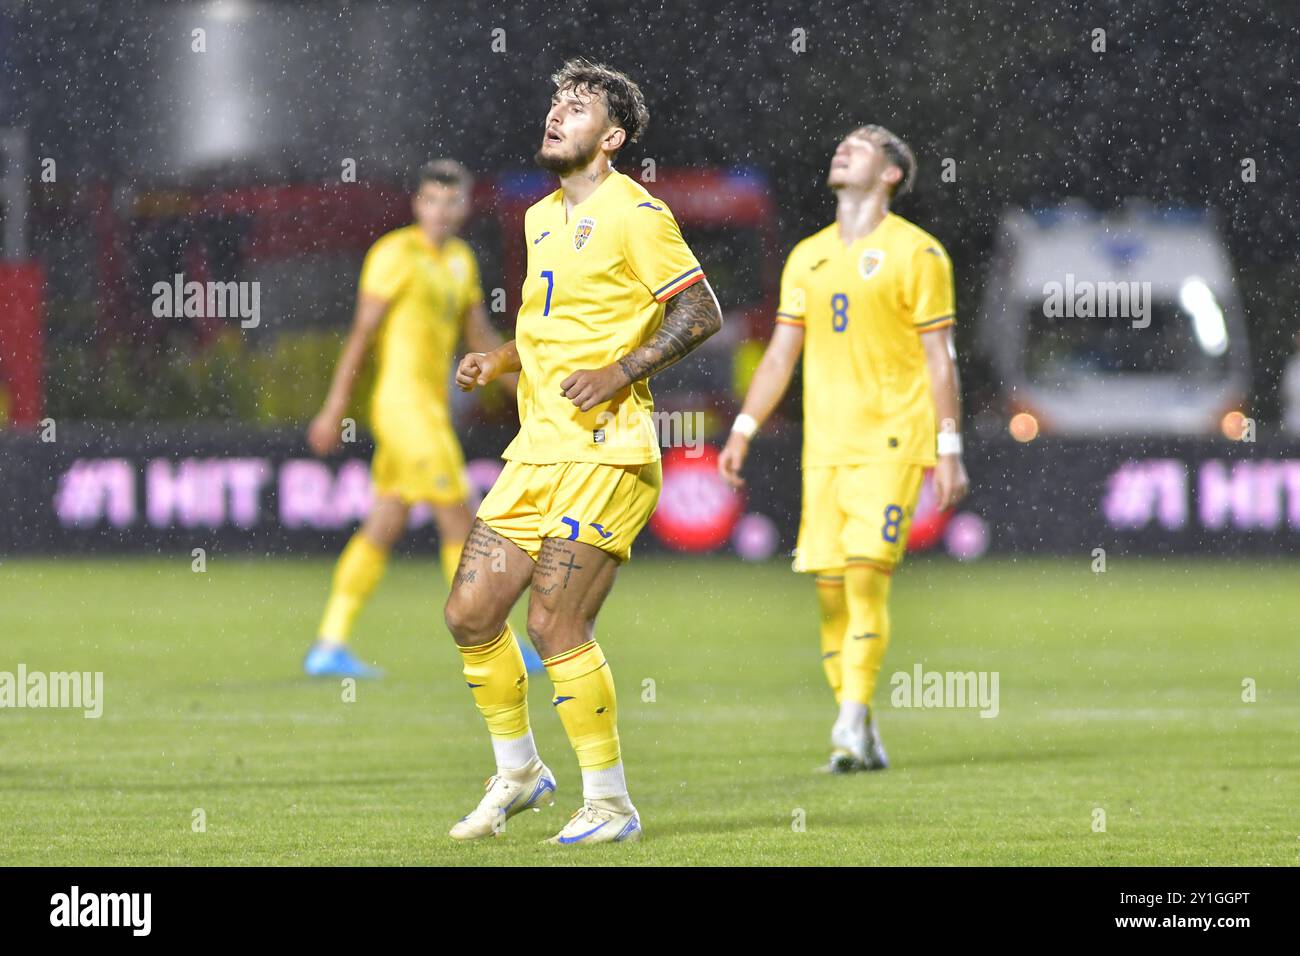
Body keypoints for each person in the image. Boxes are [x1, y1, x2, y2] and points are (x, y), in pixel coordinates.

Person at [444, 58, 722, 844]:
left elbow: (701, 312)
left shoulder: (638, 213)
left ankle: (610, 803)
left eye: (579, 105)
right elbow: (549, 326)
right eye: (555, 100)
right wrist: (497, 362)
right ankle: (522, 772)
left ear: (614, 135)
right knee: (468, 614)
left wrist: (621, 371)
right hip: (537, 449)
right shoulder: (538, 219)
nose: (558, 112)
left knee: (554, 624)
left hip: (608, 452)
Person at [719, 125, 969, 772]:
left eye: (861, 146)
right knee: (829, 591)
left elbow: (940, 357)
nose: (842, 149)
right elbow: (780, 354)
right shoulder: (807, 257)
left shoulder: (919, 254)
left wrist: (949, 446)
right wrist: (744, 427)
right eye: (842, 144)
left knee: (864, 578)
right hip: (825, 445)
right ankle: (861, 723)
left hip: (892, 439)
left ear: (891, 173)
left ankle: (848, 723)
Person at [303, 160, 512, 678]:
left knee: (385, 520)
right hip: (402, 407)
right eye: (431, 201)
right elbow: (361, 336)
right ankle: (487, 642)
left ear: (464, 208)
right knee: (460, 515)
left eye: (451, 202)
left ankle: (329, 644)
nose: (440, 212)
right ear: (418, 204)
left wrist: (525, 392)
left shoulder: (461, 261)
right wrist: (333, 408)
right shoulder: (393, 254)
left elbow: (481, 339)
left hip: (430, 410)